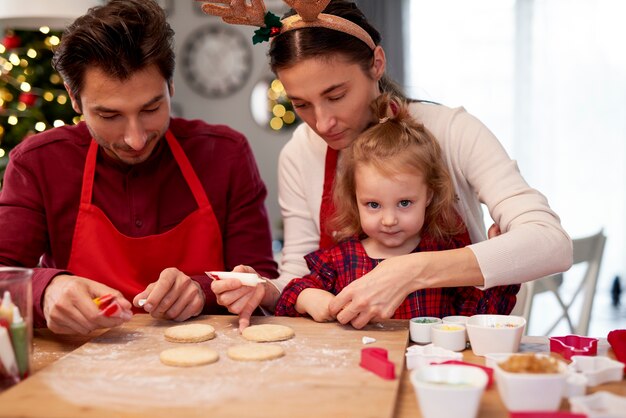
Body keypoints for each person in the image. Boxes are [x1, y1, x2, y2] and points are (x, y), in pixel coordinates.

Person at [202, 0, 572, 330]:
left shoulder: (451, 130)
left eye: (337, 95)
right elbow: (301, 276)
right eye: (302, 105)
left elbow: (551, 243)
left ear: (376, 63)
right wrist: (264, 290)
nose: (323, 122)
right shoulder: (300, 153)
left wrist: (408, 272)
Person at [0, 0, 278, 335]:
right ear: (75, 100)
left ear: (170, 86)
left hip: (211, 369)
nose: (135, 139)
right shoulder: (37, 163)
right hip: (82, 368)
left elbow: (259, 279)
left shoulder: (225, 154)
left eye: (151, 108)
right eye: (109, 116)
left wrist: (201, 290)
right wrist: (45, 290)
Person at [274, 94, 519, 321]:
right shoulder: (339, 260)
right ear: (355, 200)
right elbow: (290, 295)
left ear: (429, 196)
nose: (389, 219)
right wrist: (308, 297)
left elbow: (480, 314)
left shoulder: (443, 256)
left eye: (404, 203)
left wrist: (499, 258)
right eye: (373, 205)